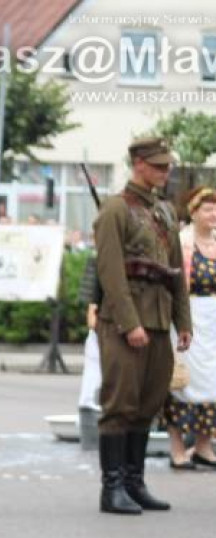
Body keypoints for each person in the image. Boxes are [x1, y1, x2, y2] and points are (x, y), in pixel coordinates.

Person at [93, 137, 192, 514]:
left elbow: (175, 271)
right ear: (138, 164)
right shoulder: (115, 209)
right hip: (125, 323)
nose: (166, 172)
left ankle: (134, 482)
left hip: (159, 320)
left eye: (168, 166)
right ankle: (112, 488)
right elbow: (110, 273)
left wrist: (183, 320)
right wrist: (129, 322)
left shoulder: (164, 210)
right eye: (159, 166)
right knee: (120, 404)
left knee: (148, 404)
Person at [163, 186, 216, 469]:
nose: (214, 214)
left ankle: (204, 446)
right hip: (189, 317)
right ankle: (177, 448)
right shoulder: (181, 242)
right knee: (182, 382)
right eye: (208, 209)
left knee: (213, 383)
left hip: (214, 323)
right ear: (193, 212)